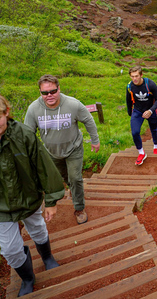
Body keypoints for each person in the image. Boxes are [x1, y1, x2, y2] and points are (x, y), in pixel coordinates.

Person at [0, 92, 65, 297]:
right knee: (10, 249)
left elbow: (44, 167)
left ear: (6, 113)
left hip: (29, 197)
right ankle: (27, 278)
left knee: (37, 228)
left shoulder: (24, 135)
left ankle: (48, 257)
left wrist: (51, 200)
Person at [24, 75, 100, 225]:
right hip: (51, 152)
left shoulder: (73, 104)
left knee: (75, 177)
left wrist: (95, 140)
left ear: (59, 89)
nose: (49, 95)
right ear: (40, 92)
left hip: (74, 148)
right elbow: (27, 133)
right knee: (63, 177)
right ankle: (72, 188)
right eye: (44, 93)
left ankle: (79, 208)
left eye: (52, 91)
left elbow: (88, 120)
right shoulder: (34, 109)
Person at [126, 65, 157, 166]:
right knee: (135, 132)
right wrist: (130, 113)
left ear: (141, 75)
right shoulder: (130, 86)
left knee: (153, 129)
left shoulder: (150, 84)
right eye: (132, 76)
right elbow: (128, 100)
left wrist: (151, 110)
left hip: (151, 109)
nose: (134, 79)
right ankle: (141, 153)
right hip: (137, 111)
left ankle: (156, 145)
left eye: (136, 76)